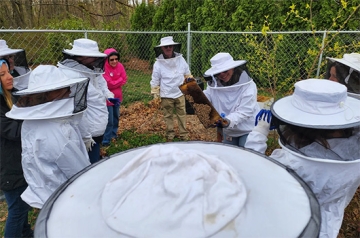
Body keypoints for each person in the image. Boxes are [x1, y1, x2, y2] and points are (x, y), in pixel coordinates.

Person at [245, 79, 360, 238]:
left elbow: (252, 174)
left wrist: (258, 133)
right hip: (328, 223)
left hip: (293, 225)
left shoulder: (292, 163)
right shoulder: (353, 156)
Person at [6, 65, 91, 209]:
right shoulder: (57, 132)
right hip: (64, 197)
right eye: (63, 88)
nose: (69, 91)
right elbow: (79, 173)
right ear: (49, 93)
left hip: (44, 191)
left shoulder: (30, 121)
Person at [58, 38, 113, 163]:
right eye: (92, 57)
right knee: (87, 166)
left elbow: (100, 82)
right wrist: (86, 136)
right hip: (86, 134)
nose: (95, 60)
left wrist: (108, 95)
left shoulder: (88, 68)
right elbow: (77, 109)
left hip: (94, 129)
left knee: (93, 161)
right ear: (81, 56)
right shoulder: (73, 76)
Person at [0, 59, 33, 237]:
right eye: (2, 74)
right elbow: (13, 131)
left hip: (18, 160)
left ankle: (26, 234)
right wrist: (36, 124)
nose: (9, 77)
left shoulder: (11, 95)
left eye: (8, 72)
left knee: (22, 205)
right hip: (8, 164)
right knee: (17, 208)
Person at [203, 52, 260, 147]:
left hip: (248, 128)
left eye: (225, 71)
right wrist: (195, 94)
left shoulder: (248, 86)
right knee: (228, 157)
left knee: (245, 156)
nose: (222, 75)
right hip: (228, 130)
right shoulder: (214, 84)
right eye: (218, 72)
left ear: (233, 67)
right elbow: (207, 97)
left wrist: (227, 121)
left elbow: (245, 111)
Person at [150, 36, 192, 141]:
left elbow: (187, 73)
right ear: (162, 49)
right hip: (166, 94)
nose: (168, 48)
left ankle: (183, 134)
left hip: (180, 92)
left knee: (182, 114)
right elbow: (155, 79)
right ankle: (170, 134)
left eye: (170, 46)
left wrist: (190, 80)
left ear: (173, 47)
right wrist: (155, 93)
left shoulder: (181, 59)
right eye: (166, 47)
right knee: (168, 115)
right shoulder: (158, 64)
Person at [102, 48, 128, 146]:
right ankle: (106, 140)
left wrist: (115, 82)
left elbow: (125, 78)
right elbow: (108, 84)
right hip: (108, 98)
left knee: (116, 117)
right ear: (107, 59)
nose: (114, 61)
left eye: (116, 59)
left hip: (117, 97)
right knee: (109, 120)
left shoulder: (120, 66)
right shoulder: (104, 68)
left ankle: (113, 135)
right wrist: (119, 80)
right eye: (111, 59)